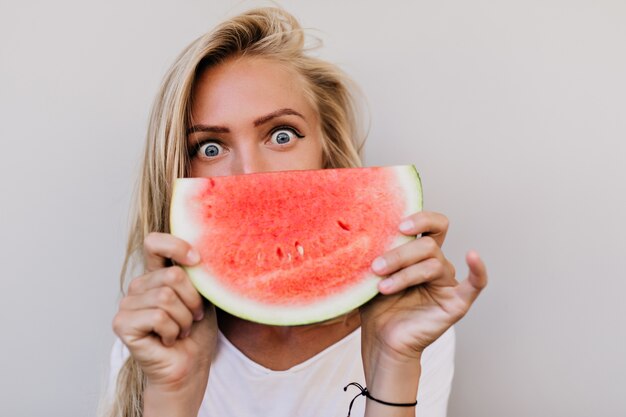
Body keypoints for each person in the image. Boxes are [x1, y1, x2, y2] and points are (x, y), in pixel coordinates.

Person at [105, 7, 488, 417]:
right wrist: (172, 392)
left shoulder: (409, 321)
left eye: (281, 135)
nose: (250, 174)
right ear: (178, 170)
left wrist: (392, 361)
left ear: (327, 152)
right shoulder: (158, 332)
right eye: (210, 148)